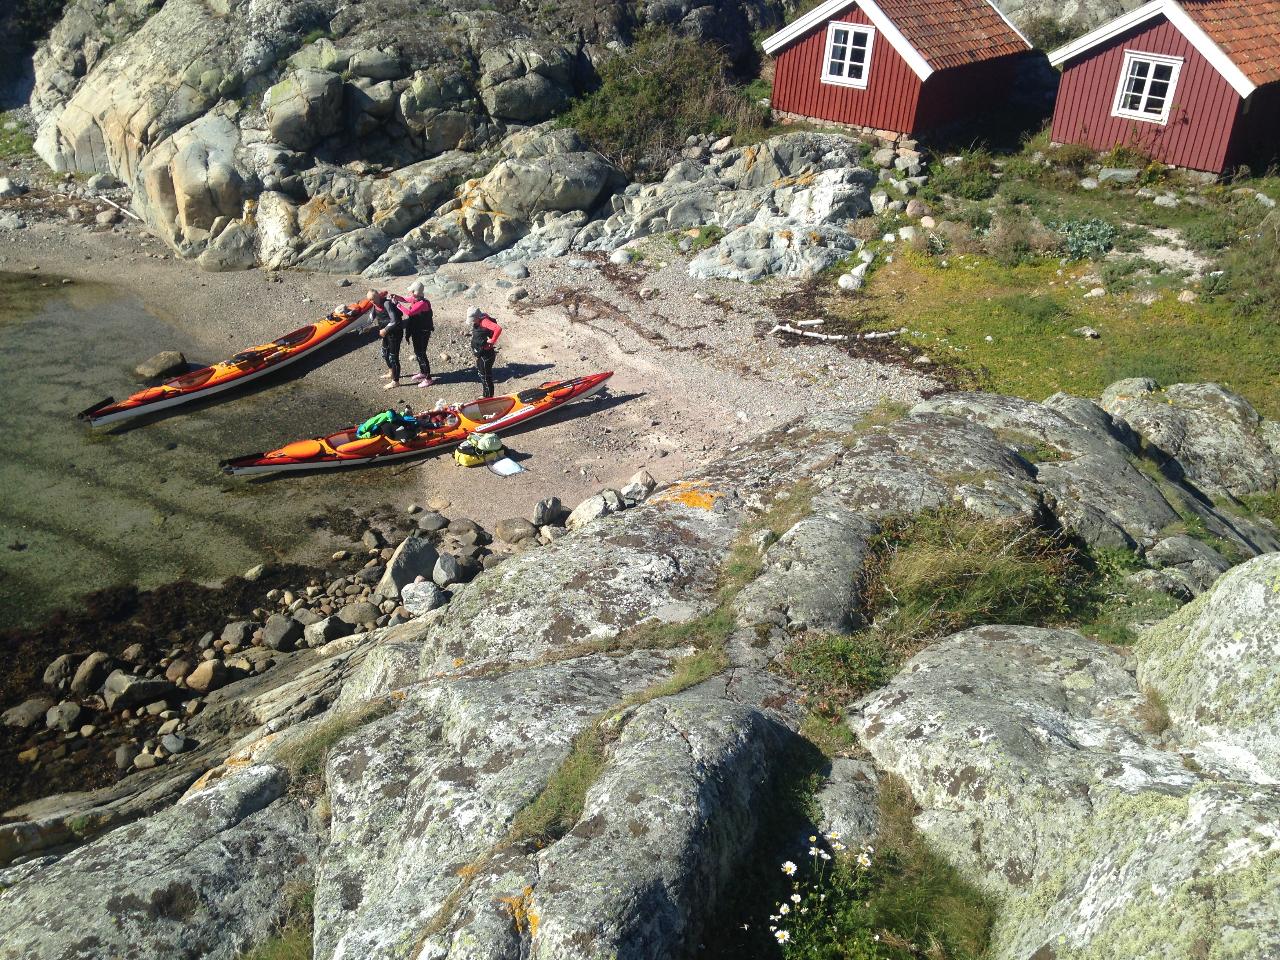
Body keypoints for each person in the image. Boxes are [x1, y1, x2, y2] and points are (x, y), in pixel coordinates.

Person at [398, 280, 435, 388]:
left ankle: (428, 379)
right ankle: (423, 373)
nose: (410, 293)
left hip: (423, 332)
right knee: (418, 352)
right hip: (417, 330)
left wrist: (397, 305)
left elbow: (409, 312)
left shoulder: (422, 303)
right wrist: (396, 297)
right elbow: (405, 299)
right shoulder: (416, 299)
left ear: (415, 292)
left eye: (411, 291)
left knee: (421, 353)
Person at [368, 289, 404, 390]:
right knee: (384, 353)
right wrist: (367, 326)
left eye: (373, 299)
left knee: (393, 357)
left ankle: (395, 381)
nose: (372, 302)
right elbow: (371, 317)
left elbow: (394, 320)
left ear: (377, 297)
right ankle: (391, 372)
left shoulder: (387, 304)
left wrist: (385, 329)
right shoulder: (374, 305)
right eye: (370, 300)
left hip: (395, 333)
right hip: (386, 334)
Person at [467, 305, 503, 399]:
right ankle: (485, 396)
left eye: (473, 319)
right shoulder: (481, 317)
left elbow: (498, 328)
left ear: (477, 317)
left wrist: (492, 340)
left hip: (487, 354)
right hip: (482, 353)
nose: (472, 322)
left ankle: (489, 398)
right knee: (482, 374)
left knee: (486, 377)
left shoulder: (485, 321)